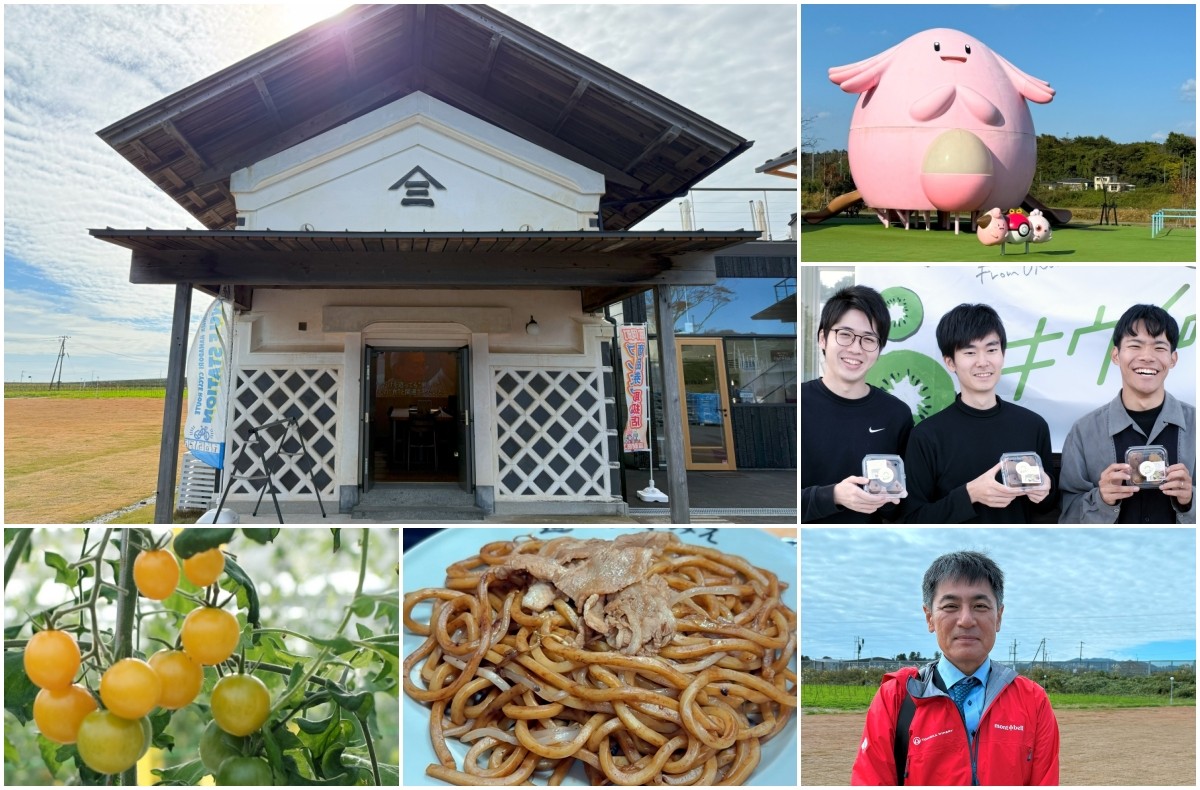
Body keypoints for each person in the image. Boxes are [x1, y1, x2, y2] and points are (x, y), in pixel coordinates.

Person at [851, 551, 1060, 785]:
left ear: (999, 616)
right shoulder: (896, 698)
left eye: (980, 606)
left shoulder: (1033, 701)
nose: (966, 620)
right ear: (929, 617)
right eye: (950, 606)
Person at [901, 304, 1056, 523]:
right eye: (970, 352)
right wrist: (969, 494)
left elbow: (1049, 507)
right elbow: (911, 519)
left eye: (991, 350)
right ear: (950, 362)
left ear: (1002, 354)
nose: (983, 362)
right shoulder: (927, 436)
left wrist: (1046, 490)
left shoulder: (1033, 426)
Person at [1058, 304, 1195, 523]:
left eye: (1159, 347)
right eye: (1135, 345)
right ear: (1115, 355)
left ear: (1173, 359)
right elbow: (1066, 517)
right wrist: (1102, 499)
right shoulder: (1084, 432)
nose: (1147, 357)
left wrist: (1190, 501)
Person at [801, 285, 913, 522]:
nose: (855, 348)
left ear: (879, 348)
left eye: (868, 339)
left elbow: (904, 504)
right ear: (823, 338)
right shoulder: (800, 404)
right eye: (845, 334)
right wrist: (833, 495)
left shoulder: (896, 414)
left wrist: (891, 500)